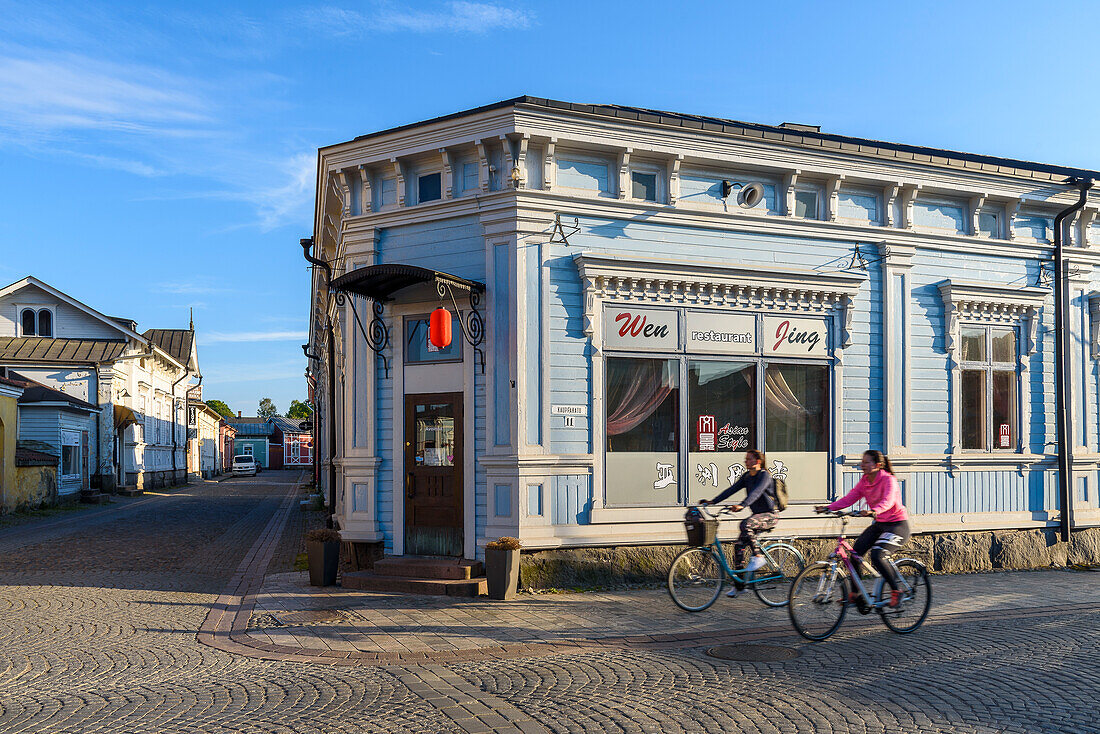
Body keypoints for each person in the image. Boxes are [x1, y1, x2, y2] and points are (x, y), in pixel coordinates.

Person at [814, 449, 910, 607]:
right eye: (862, 461)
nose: (862, 465)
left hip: (897, 525)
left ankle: (896, 591)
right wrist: (829, 508)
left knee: (878, 555)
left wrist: (874, 510)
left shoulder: (888, 480)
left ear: (877, 465)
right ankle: (856, 594)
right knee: (855, 555)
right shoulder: (865, 480)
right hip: (880, 524)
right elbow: (849, 498)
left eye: (866, 462)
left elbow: (888, 501)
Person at [700, 449, 778, 598]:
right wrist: (713, 501)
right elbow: (731, 490)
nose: (746, 462)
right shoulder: (747, 477)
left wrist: (743, 505)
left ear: (757, 461)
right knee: (738, 546)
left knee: (746, 524)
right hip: (757, 517)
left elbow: (756, 492)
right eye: (746, 459)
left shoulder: (764, 476)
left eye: (749, 459)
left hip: (770, 515)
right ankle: (740, 586)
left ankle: (758, 556)